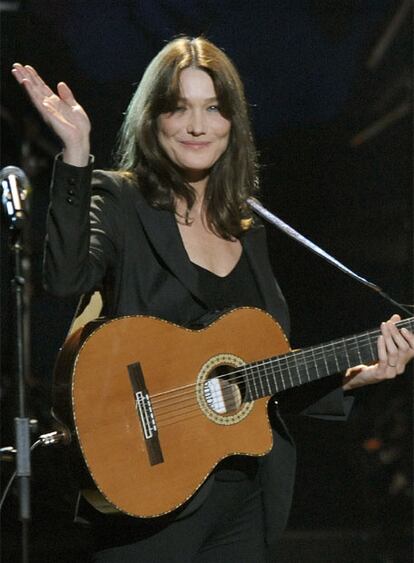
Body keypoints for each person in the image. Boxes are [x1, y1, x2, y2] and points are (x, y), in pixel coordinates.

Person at [12, 36, 414, 562]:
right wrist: (76, 154)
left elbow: (257, 377)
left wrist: (363, 374)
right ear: (152, 118)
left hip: (244, 498)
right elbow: (63, 282)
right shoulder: (120, 200)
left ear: (233, 123)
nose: (197, 126)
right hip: (148, 488)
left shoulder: (247, 227)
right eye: (179, 108)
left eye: (213, 108)